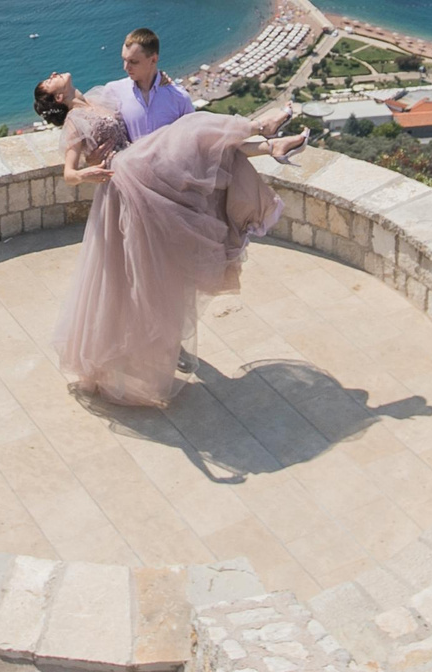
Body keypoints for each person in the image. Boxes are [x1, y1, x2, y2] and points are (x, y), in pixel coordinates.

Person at [31, 70, 307, 408]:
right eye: (50, 81)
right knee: (191, 132)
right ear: (58, 98)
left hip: (138, 165)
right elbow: (69, 173)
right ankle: (260, 131)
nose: (53, 74)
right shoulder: (74, 120)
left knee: (204, 146)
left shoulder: (97, 96)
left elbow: (133, 89)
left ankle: (270, 143)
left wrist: (161, 80)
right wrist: (86, 174)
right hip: (124, 175)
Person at [92, 26, 193, 145]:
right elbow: (102, 140)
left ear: (153, 60)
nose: (125, 67)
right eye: (124, 60)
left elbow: (193, 141)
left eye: (133, 62)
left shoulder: (179, 98)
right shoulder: (113, 92)